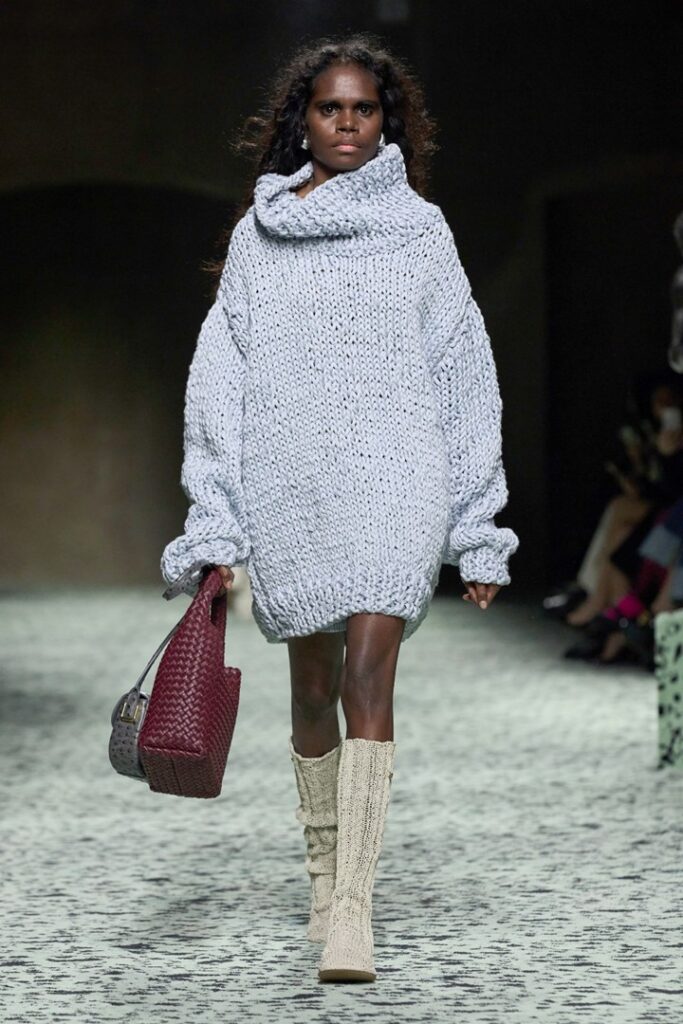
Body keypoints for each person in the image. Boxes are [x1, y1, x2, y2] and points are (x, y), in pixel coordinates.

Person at [159, 33, 519, 983]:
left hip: (397, 474)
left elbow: (463, 373)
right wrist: (216, 517)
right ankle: (321, 874)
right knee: (312, 686)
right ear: (303, 118)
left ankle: (354, 908)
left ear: (385, 119)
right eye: (330, 108)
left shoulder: (419, 230)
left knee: (367, 674)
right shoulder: (258, 235)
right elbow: (220, 376)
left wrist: (476, 523)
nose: (348, 123)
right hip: (292, 478)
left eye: (364, 108)